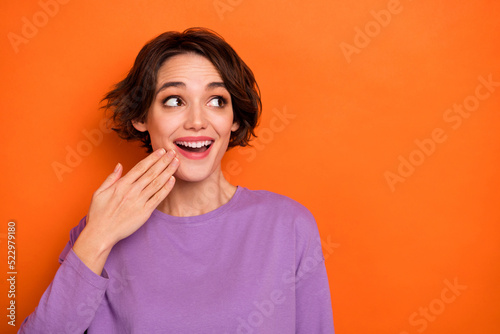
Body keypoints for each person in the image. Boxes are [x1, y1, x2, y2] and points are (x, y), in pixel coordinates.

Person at [19, 27, 334, 333]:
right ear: (141, 117)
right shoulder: (102, 227)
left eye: (216, 101)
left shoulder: (288, 226)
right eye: (174, 100)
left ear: (234, 118)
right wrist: (99, 237)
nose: (197, 121)